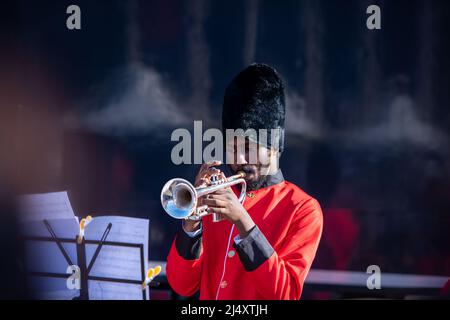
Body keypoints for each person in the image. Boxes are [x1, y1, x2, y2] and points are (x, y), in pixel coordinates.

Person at [166, 63, 323, 300]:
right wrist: (192, 224)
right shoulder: (218, 196)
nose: (238, 160)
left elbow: (285, 294)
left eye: (248, 148)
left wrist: (241, 219)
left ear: (273, 148)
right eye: (232, 148)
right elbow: (182, 285)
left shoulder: (303, 209)